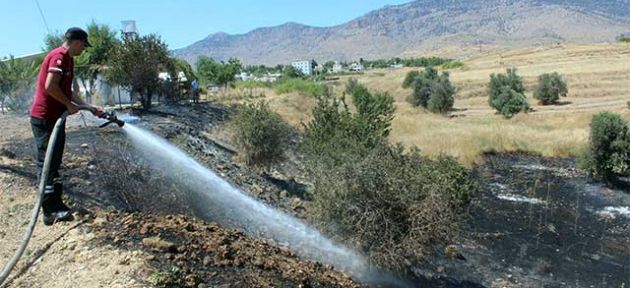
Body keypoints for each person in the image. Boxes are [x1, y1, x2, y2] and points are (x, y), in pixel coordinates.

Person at [30, 27, 104, 225]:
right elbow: (50, 86)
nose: (83, 50)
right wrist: (68, 105)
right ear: (77, 42)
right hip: (45, 118)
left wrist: (88, 106)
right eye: (83, 46)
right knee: (47, 163)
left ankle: (56, 204)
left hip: (55, 118)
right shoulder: (59, 57)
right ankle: (49, 210)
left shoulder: (68, 59)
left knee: (54, 163)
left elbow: (66, 90)